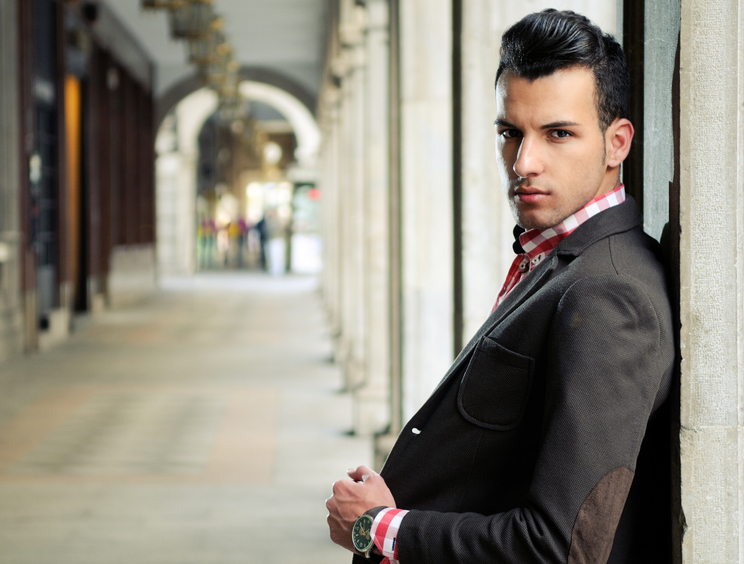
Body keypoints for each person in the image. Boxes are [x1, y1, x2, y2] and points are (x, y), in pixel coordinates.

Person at [326, 9, 675, 564]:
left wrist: (379, 527)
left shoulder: (609, 297)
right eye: (510, 133)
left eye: (559, 134)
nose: (524, 162)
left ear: (617, 143)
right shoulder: (559, 259)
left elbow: (557, 548)